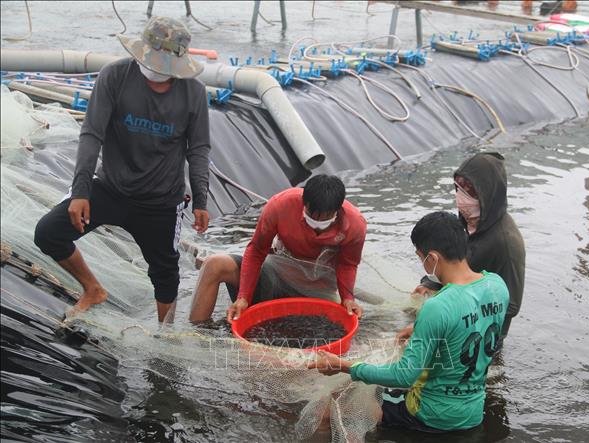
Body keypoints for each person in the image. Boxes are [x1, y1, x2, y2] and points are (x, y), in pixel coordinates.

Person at [34, 17, 211, 323]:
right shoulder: (115, 75)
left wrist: (201, 200)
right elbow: (92, 133)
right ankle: (92, 289)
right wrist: (80, 191)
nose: (157, 69)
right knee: (48, 233)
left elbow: (198, 149)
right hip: (110, 187)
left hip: (161, 201)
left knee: (165, 273)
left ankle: (164, 335)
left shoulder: (193, 93)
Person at [308, 211, 509, 433]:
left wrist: (344, 365)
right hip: (472, 410)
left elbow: (404, 376)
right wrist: (418, 327)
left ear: (432, 258)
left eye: (420, 257)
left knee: (330, 409)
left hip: (431, 414)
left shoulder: (437, 306)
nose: (423, 264)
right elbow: (474, 320)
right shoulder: (497, 286)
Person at [189, 174, 366, 324]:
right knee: (214, 264)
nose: (318, 224)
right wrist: (244, 296)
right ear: (304, 203)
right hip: (277, 275)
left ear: (338, 210)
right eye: (312, 216)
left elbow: (347, 264)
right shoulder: (280, 206)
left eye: (325, 219)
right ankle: (198, 334)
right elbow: (257, 251)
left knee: (364, 317)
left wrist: (348, 298)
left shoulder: (355, 224)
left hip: (319, 292)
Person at [414, 152, 525, 343]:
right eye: (458, 188)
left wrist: (454, 316)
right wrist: (430, 284)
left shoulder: (506, 243)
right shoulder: (468, 219)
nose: (461, 198)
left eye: (470, 192)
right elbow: (453, 256)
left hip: (481, 333)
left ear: (487, 193)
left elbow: (511, 305)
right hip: (454, 306)